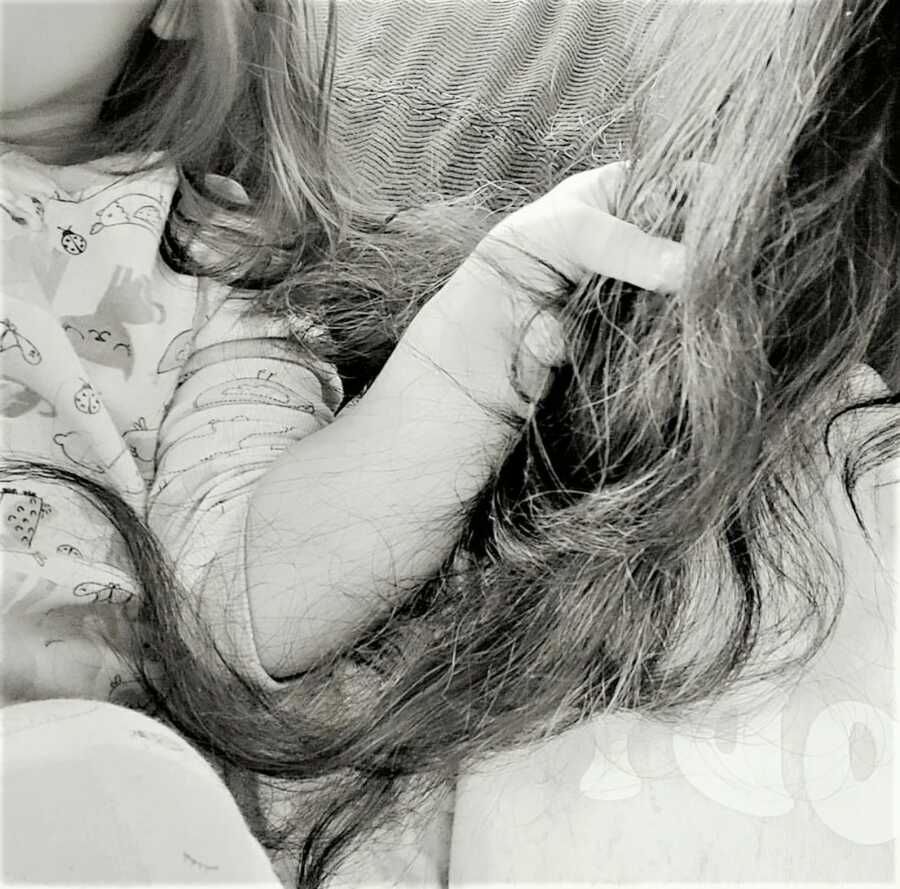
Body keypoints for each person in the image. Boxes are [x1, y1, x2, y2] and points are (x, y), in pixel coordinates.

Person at [1, 0, 679, 883]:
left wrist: (487, 334)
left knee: (105, 788)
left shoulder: (207, 260)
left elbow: (236, 601)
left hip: (53, 766)